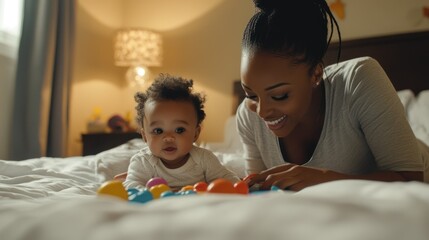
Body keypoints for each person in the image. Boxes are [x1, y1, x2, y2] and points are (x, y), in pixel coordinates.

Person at [238, 0, 429, 191]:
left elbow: (410, 180)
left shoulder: (359, 80)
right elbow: (260, 192)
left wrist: (324, 180)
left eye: (279, 95)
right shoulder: (248, 117)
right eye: (250, 95)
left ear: (316, 74)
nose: (261, 111)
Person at [123, 74, 240, 190]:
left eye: (179, 130)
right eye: (158, 131)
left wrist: (238, 185)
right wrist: (148, 191)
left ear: (195, 133)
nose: (168, 138)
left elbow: (227, 180)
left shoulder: (204, 159)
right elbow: (131, 185)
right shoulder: (143, 162)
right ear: (144, 136)